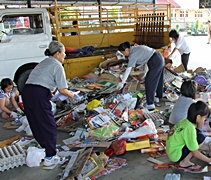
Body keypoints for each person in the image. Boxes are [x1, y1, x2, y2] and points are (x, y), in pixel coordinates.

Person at [22, 40, 80, 167]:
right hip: (38, 95)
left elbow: (39, 82)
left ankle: (46, 148)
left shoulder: (44, 62)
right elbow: (63, 90)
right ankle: (50, 157)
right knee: (48, 125)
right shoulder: (57, 65)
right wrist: (74, 95)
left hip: (27, 92)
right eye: (64, 53)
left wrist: (50, 95)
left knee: (36, 122)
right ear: (58, 54)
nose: (65, 55)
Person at [116, 42, 164, 111]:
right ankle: (158, 97)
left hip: (155, 60)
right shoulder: (135, 49)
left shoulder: (133, 54)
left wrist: (122, 82)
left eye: (123, 53)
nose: (123, 54)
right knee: (159, 79)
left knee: (149, 82)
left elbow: (128, 69)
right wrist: (144, 74)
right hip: (158, 57)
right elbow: (145, 61)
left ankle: (150, 104)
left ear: (126, 50)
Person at [166, 101, 211, 169]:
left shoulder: (186, 121)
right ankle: (185, 162)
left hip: (172, 151)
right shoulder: (190, 128)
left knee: (198, 135)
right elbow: (195, 152)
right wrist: (209, 160)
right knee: (201, 138)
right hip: (176, 155)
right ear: (198, 117)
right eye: (204, 118)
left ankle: (185, 157)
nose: (204, 120)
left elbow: (198, 130)